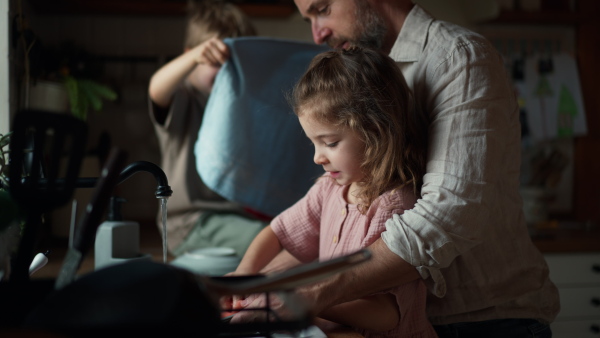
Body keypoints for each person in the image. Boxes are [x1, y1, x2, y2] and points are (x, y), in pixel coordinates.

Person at [235, 0, 561, 337]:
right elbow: (316, 238)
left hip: (485, 321)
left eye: (322, 9)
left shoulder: (457, 58)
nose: (318, 34)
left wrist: (316, 294)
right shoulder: (367, 74)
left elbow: (447, 215)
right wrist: (248, 289)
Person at [224, 47, 436, 337]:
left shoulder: (392, 207)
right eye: (313, 143)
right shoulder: (329, 190)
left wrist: (306, 301)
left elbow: (385, 316)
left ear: (375, 132)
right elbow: (277, 233)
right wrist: (244, 277)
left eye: (330, 143)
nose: (317, 157)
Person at [147, 0, 267, 258]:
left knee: (282, 235)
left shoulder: (238, 102)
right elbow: (157, 89)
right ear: (193, 55)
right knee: (267, 240)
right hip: (189, 222)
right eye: (216, 61)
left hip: (235, 217)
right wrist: (192, 57)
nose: (227, 71)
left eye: (235, 63)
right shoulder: (184, 98)